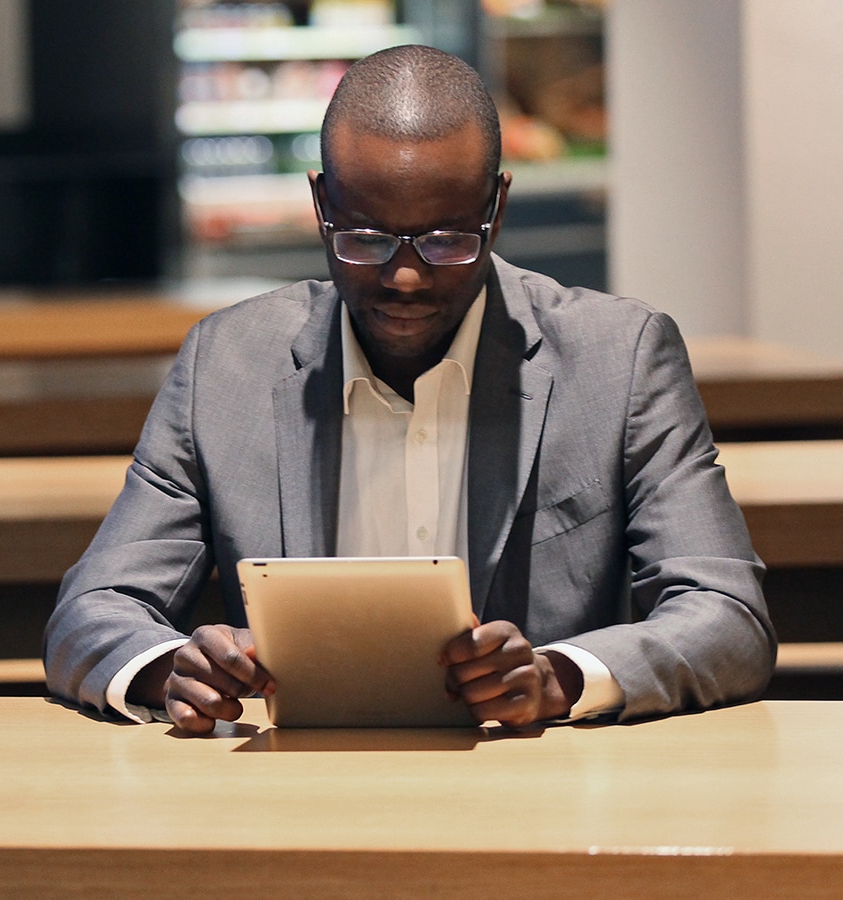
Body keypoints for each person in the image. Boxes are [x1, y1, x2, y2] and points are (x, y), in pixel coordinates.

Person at [43, 45, 775, 734]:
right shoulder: (227, 363)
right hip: (292, 786)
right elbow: (92, 612)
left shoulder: (619, 359)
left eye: (447, 241)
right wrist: (171, 668)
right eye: (363, 240)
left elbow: (728, 616)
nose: (404, 276)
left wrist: (561, 677)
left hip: (538, 785)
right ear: (321, 202)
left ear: (498, 207)